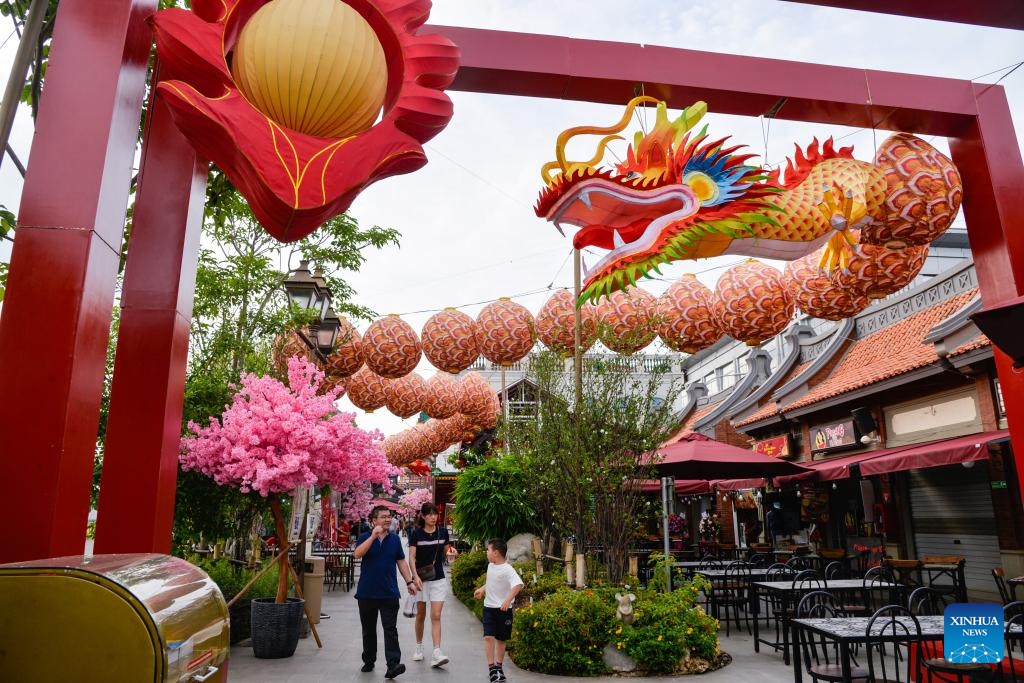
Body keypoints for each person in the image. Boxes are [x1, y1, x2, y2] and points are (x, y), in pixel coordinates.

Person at [354, 505, 419, 679]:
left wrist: (409, 581)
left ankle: (393, 664)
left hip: (389, 592)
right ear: (374, 520)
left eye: (389, 516)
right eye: (383, 517)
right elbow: (357, 554)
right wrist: (373, 537)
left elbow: (401, 562)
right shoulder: (364, 537)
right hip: (366, 592)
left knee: (390, 629)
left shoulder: (395, 540)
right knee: (368, 629)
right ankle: (369, 660)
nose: (388, 519)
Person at [473, 538, 524, 683]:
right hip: (489, 607)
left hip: (503, 610)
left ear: (495, 553)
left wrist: (507, 600)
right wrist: (482, 589)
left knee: (501, 639)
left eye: (488, 550)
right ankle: (492, 669)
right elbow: (491, 581)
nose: (486, 553)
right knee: (488, 637)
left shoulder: (508, 569)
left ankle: (499, 667)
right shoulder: (491, 566)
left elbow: (518, 585)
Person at [408, 502, 452, 668]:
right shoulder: (416, 534)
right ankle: (419, 647)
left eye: (435, 514)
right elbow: (411, 557)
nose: (433, 517)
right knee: (420, 615)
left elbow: (447, 552)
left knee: (436, 615)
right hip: (421, 580)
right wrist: (414, 576)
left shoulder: (443, 532)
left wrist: (451, 554)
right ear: (424, 516)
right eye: (430, 514)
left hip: (438, 579)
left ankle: (437, 652)